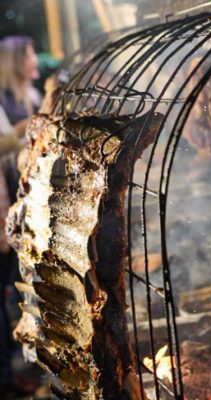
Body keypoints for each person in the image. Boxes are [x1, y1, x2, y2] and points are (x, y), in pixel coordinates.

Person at [0, 35, 41, 397]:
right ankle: (11, 367)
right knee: (10, 287)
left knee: (25, 277)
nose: (35, 60)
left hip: (28, 203)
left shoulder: (33, 94)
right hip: (5, 202)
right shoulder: (4, 101)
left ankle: (27, 359)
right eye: (29, 55)